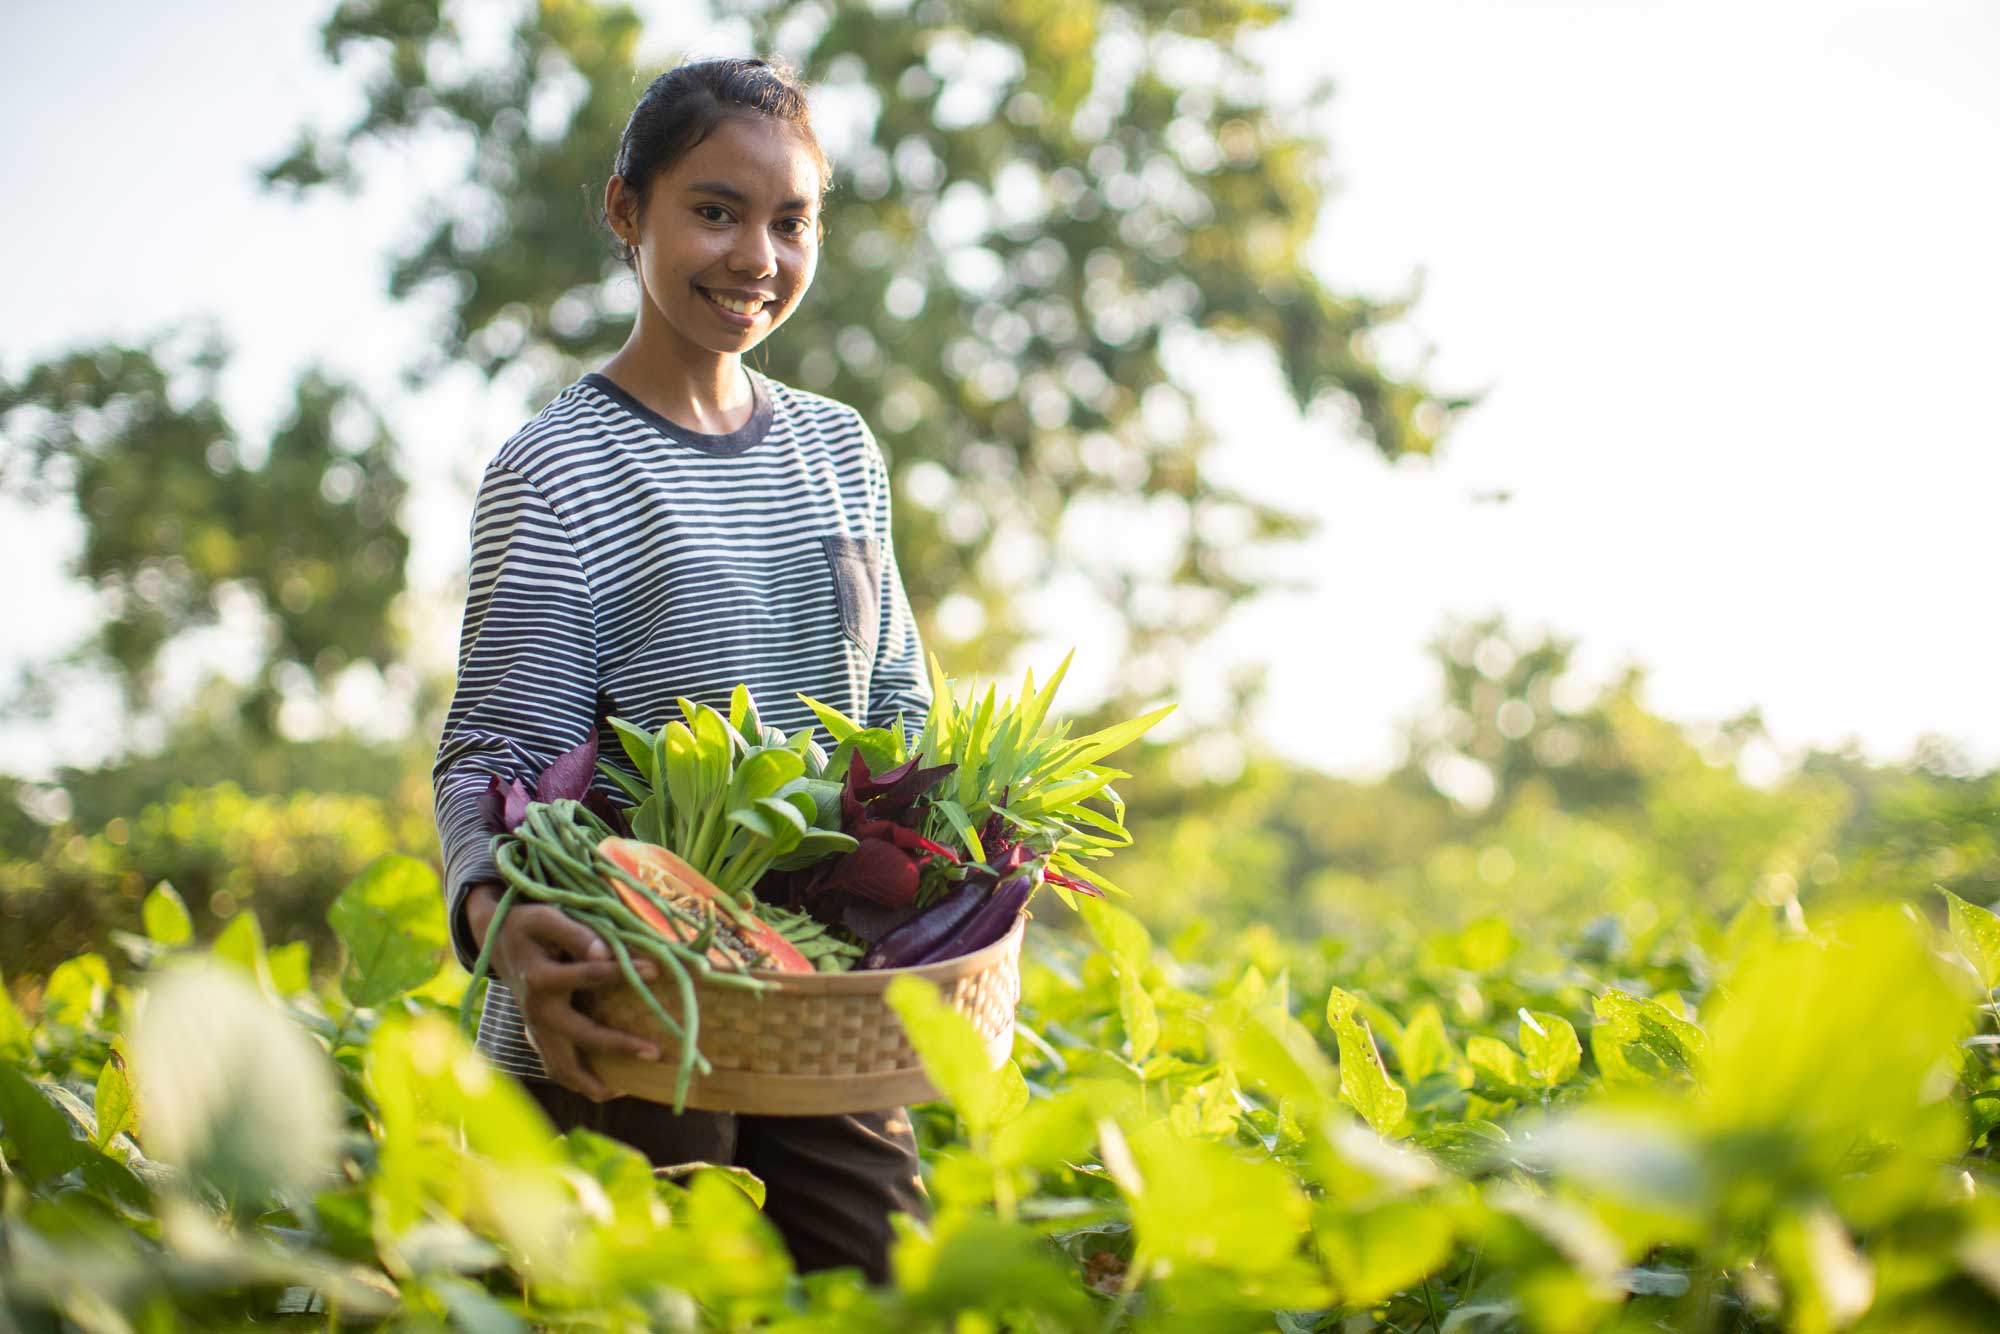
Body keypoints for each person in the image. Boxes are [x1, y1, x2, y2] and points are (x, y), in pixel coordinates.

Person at [430, 56, 932, 1282]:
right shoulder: (558, 473)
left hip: (818, 1010)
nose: (756, 255)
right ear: (625, 212)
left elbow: (900, 706)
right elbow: (494, 754)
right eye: (714, 210)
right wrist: (498, 911)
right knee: (660, 1299)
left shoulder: (837, 448)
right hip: (630, 1003)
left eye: (789, 220)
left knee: (883, 1289)